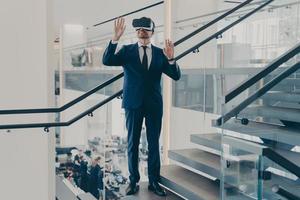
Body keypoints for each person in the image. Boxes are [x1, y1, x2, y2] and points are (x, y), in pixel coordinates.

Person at [102, 17, 181, 197]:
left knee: (154, 144)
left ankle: (154, 181)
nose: (141, 32)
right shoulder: (127, 51)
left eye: (145, 29)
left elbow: (175, 76)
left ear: (152, 32)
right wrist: (115, 39)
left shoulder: (161, 53)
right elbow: (107, 60)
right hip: (133, 103)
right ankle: (133, 180)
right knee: (132, 144)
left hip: (154, 105)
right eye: (138, 29)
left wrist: (171, 59)